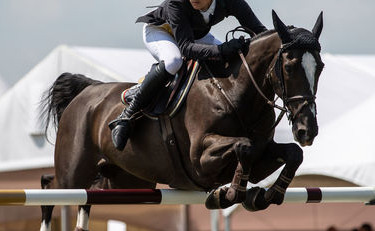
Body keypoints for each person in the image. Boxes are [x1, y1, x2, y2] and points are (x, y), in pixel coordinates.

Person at [109, 0, 267, 150]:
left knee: (234, 60)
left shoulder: (232, 2)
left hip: (195, 35)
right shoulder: (176, 3)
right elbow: (186, 48)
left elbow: (260, 32)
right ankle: (127, 115)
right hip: (160, 31)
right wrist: (221, 50)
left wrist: (286, 38)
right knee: (173, 61)